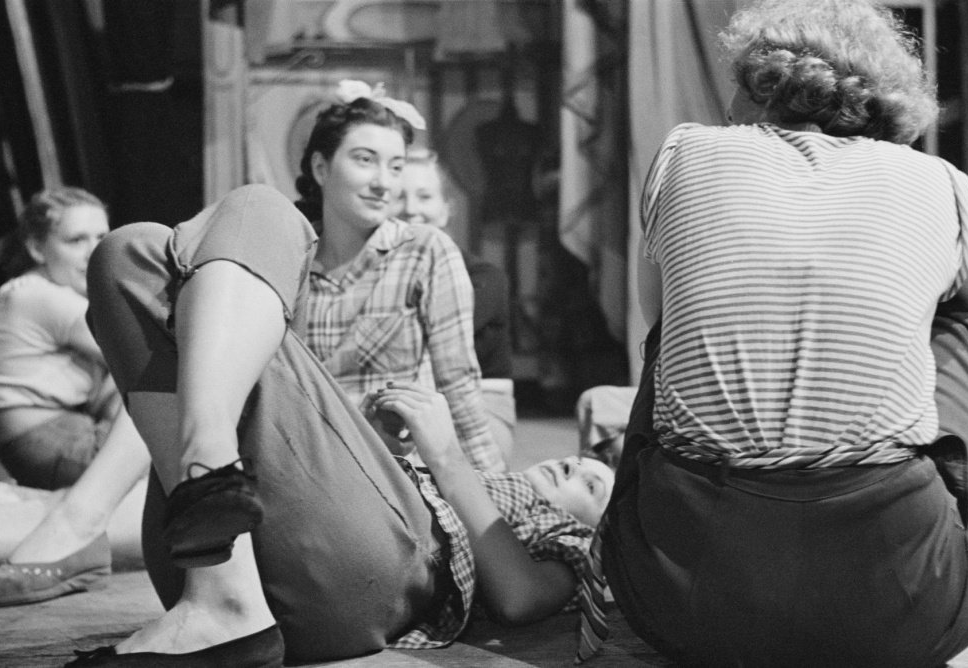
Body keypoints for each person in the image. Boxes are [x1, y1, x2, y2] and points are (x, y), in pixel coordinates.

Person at [582, 1, 968, 666]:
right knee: (959, 321)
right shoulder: (937, 181)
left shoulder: (685, 152)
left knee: (667, 341)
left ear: (757, 85)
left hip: (683, 601)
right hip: (906, 609)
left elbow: (659, 318)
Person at [64, 182, 615, 666]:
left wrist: (445, 459)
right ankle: (218, 583)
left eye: (591, 483)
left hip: (375, 574)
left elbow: (520, 599)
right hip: (222, 565)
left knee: (262, 207)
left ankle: (203, 461)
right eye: (580, 461)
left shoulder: (568, 542)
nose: (574, 463)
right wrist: (372, 444)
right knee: (124, 253)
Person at [294, 81, 506, 473]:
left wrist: (495, 500)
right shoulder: (291, 259)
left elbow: (459, 389)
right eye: (364, 160)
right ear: (321, 168)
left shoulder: (425, 251)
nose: (383, 182)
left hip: (399, 473)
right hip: (311, 467)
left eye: (395, 167)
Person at [0, 188, 149, 607]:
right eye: (76, 240)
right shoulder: (42, 296)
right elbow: (139, 354)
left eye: (102, 238)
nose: (93, 252)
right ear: (35, 246)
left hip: (47, 439)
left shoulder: (27, 292)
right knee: (161, 384)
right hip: (52, 438)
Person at [399, 148, 517, 462]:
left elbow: (424, 339)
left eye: (424, 197)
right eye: (399, 197)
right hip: (403, 402)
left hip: (480, 405)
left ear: (446, 208)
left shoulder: (485, 278)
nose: (411, 209)